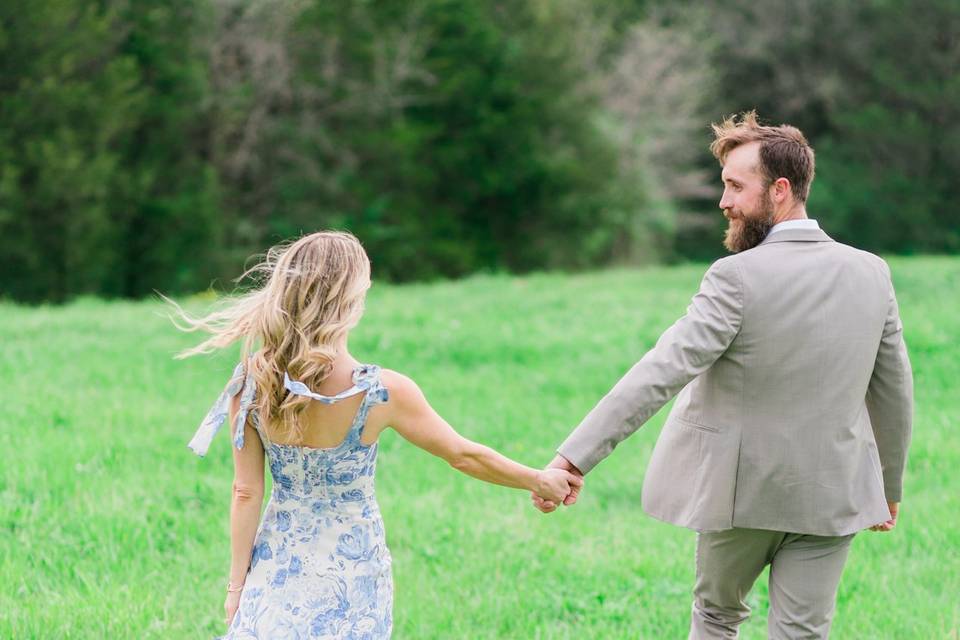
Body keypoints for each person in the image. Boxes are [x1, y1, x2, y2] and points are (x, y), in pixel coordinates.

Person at [535, 111, 913, 639]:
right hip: (833, 492)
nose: (724, 201)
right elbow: (895, 389)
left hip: (740, 497)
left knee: (716, 620)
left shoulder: (735, 277)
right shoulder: (872, 272)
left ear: (780, 190)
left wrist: (574, 457)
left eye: (736, 186)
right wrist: (887, 485)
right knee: (804, 633)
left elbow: (661, 371)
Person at [171, 231, 582, 639]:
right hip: (354, 574)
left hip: (277, 568)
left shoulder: (251, 381)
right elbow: (462, 454)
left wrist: (236, 587)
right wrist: (537, 479)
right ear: (350, 301)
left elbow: (246, 491)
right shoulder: (382, 392)